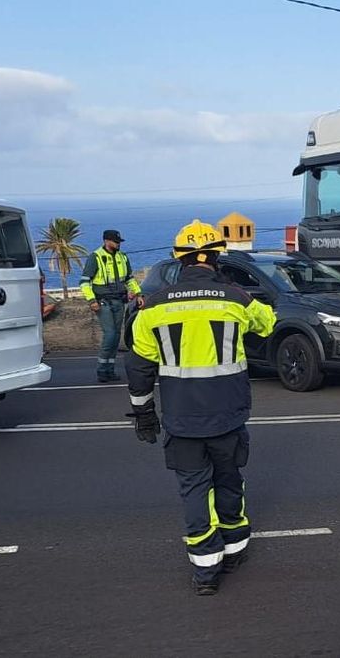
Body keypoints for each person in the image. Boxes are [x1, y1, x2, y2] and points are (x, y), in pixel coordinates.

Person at [126, 219, 277, 595]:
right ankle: (236, 548)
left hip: (181, 419)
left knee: (195, 489)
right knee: (229, 480)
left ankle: (205, 572)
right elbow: (267, 323)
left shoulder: (154, 308)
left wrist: (143, 413)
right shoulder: (236, 299)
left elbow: (139, 367)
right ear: (216, 259)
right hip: (229, 413)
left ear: (180, 260)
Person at [79, 229, 143, 382]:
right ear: (106, 241)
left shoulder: (122, 257)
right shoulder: (96, 257)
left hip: (119, 301)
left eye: (119, 242)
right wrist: (91, 301)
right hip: (103, 302)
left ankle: (110, 370)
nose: (118, 244)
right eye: (116, 241)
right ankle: (102, 370)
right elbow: (84, 282)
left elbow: (129, 279)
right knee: (110, 335)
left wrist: (138, 294)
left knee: (115, 338)